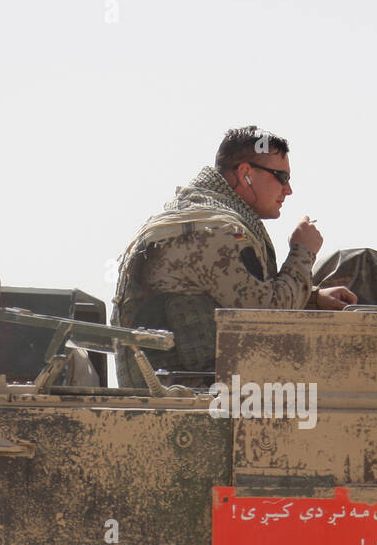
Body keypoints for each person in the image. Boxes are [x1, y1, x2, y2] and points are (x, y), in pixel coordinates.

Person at [110, 126, 357, 386]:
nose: (288, 190)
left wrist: (315, 298)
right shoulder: (212, 231)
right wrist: (302, 252)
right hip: (194, 397)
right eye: (281, 177)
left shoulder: (199, 217)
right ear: (246, 173)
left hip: (188, 391)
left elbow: (239, 294)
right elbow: (268, 317)